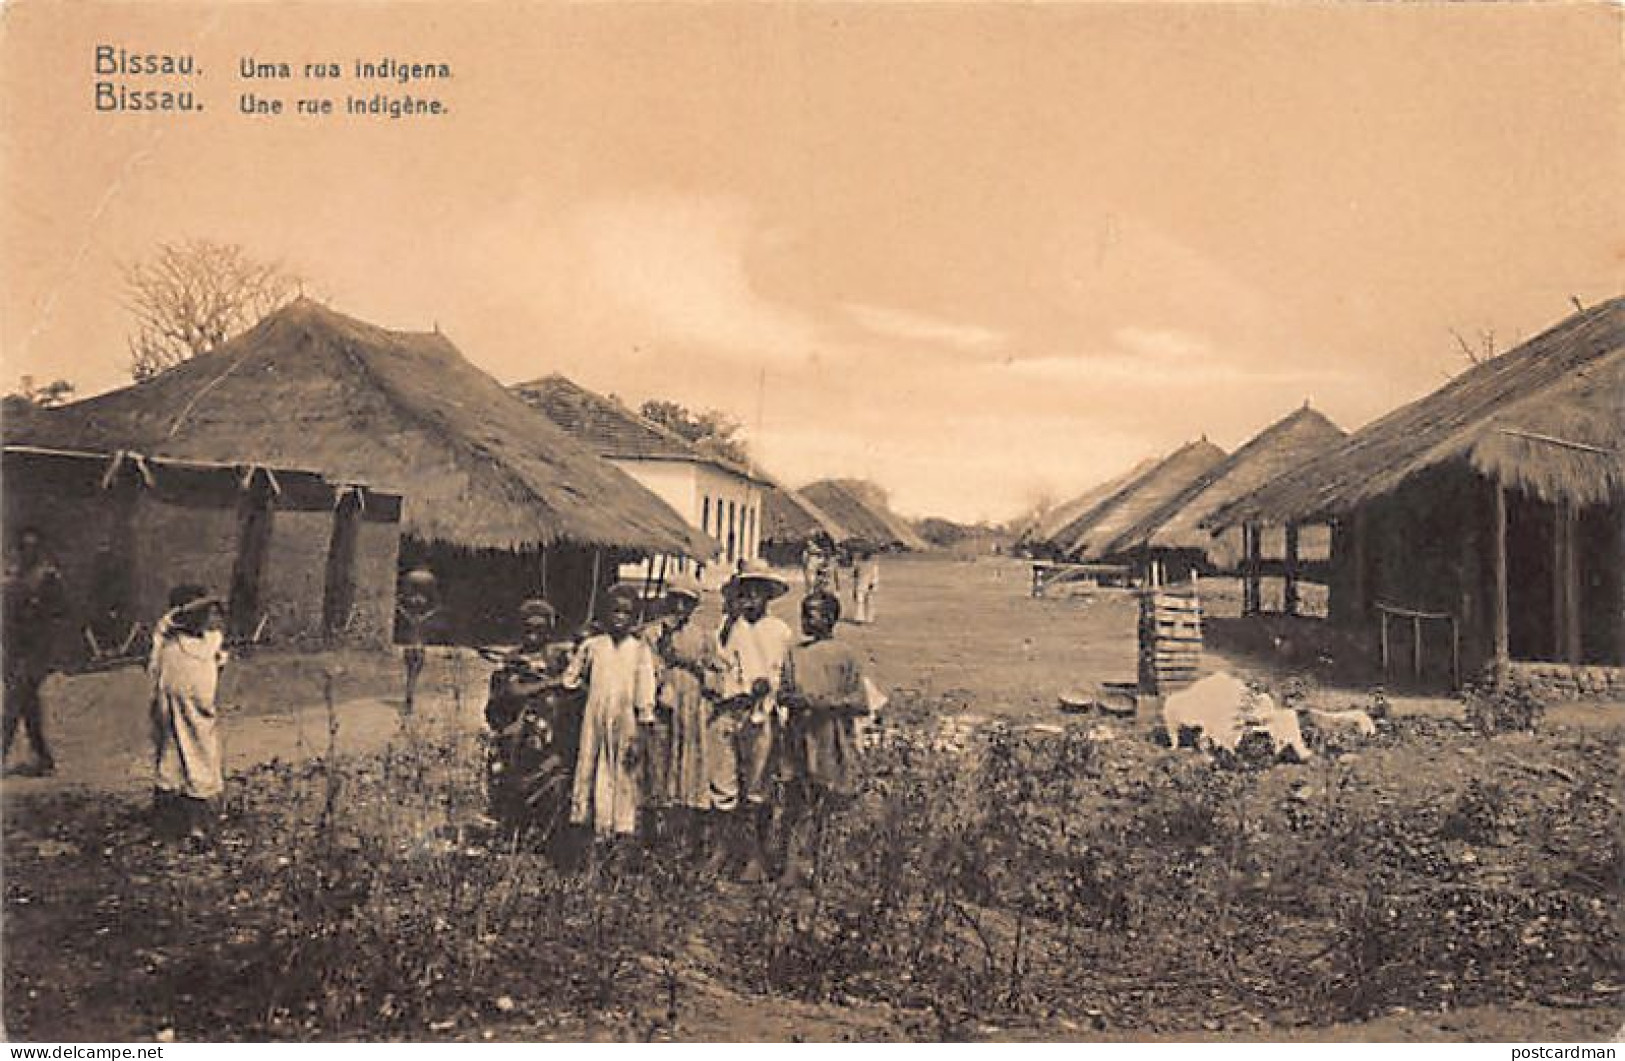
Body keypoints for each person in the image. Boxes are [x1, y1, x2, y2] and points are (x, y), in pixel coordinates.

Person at [779, 590, 873, 884]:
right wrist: (793, 699)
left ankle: (822, 867)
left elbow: (861, 703)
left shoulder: (844, 655)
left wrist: (823, 703)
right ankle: (791, 866)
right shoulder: (795, 653)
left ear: (831, 619)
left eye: (812, 614)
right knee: (795, 802)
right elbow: (783, 692)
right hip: (798, 736)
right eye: (803, 612)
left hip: (829, 738)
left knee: (825, 803)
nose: (805, 619)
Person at [716, 559, 794, 880]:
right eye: (744, 594)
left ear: (767, 597)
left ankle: (756, 854)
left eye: (756, 594)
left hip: (764, 712)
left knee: (759, 782)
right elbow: (721, 664)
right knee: (726, 778)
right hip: (732, 709)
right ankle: (726, 849)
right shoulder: (728, 627)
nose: (750, 601)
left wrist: (766, 688)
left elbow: (783, 672)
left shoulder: (780, 631)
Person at [562, 584, 658, 840]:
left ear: (634, 617)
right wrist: (588, 689)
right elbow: (569, 679)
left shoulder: (640, 650)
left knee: (623, 772)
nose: (620, 618)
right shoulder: (593, 646)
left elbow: (645, 693)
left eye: (627, 613)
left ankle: (620, 835)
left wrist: (642, 727)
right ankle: (592, 831)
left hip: (626, 721)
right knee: (591, 767)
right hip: (594, 718)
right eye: (614, 611)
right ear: (605, 614)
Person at [483, 598, 581, 839]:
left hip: (551, 737)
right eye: (528, 628)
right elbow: (508, 693)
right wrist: (550, 683)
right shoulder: (511, 660)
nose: (533, 634)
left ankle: (547, 833)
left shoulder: (559, 658)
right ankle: (512, 830)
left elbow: (576, 684)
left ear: (550, 630)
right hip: (516, 737)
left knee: (552, 782)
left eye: (540, 629)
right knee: (511, 782)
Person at [149, 585, 229, 841]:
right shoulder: (168, 637)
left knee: (200, 756)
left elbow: (216, 660)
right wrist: (200, 604)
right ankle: (169, 822)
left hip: (197, 709)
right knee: (171, 757)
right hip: (170, 707)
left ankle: (198, 825)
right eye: (199, 612)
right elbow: (173, 618)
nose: (204, 618)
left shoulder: (211, 640)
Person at [3, 526, 66, 776]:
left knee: (14, 700)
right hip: (14, 648)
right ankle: (43, 757)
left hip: (38, 648)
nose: (27, 552)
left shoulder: (48, 576)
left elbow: (62, 612)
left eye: (33, 547)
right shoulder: (11, 575)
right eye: (23, 547)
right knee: (27, 702)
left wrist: (40, 613)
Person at [395, 566, 440, 714]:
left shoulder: (410, 618)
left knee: (411, 673)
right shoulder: (422, 619)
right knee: (414, 672)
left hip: (410, 646)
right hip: (418, 647)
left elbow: (401, 606)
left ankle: (409, 695)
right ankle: (409, 697)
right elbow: (434, 608)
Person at [851, 547, 881, 625]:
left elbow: (875, 576)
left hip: (866, 585)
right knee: (863, 602)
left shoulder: (870, 566)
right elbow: (855, 576)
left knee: (865, 602)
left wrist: (873, 584)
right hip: (863, 585)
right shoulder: (862, 565)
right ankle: (863, 618)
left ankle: (866, 618)